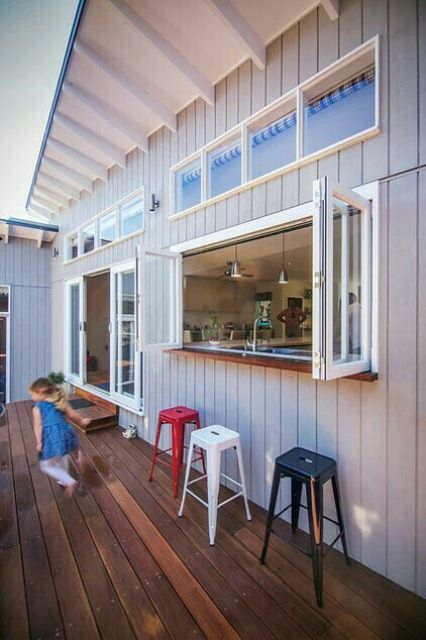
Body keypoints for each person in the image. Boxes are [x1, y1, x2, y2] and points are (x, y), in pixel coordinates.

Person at [29, 378, 90, 497]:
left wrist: (39, 442)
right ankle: (67, 474)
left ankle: (69, 481)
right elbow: (72, 415)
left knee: (46, 465)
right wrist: (82, 420)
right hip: (66, 433)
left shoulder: (37, 408)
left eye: (33, 394)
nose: (32, 397)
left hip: (52, 437)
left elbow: (38, 425)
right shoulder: (59, 401)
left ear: (40, 393)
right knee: (62, 455)